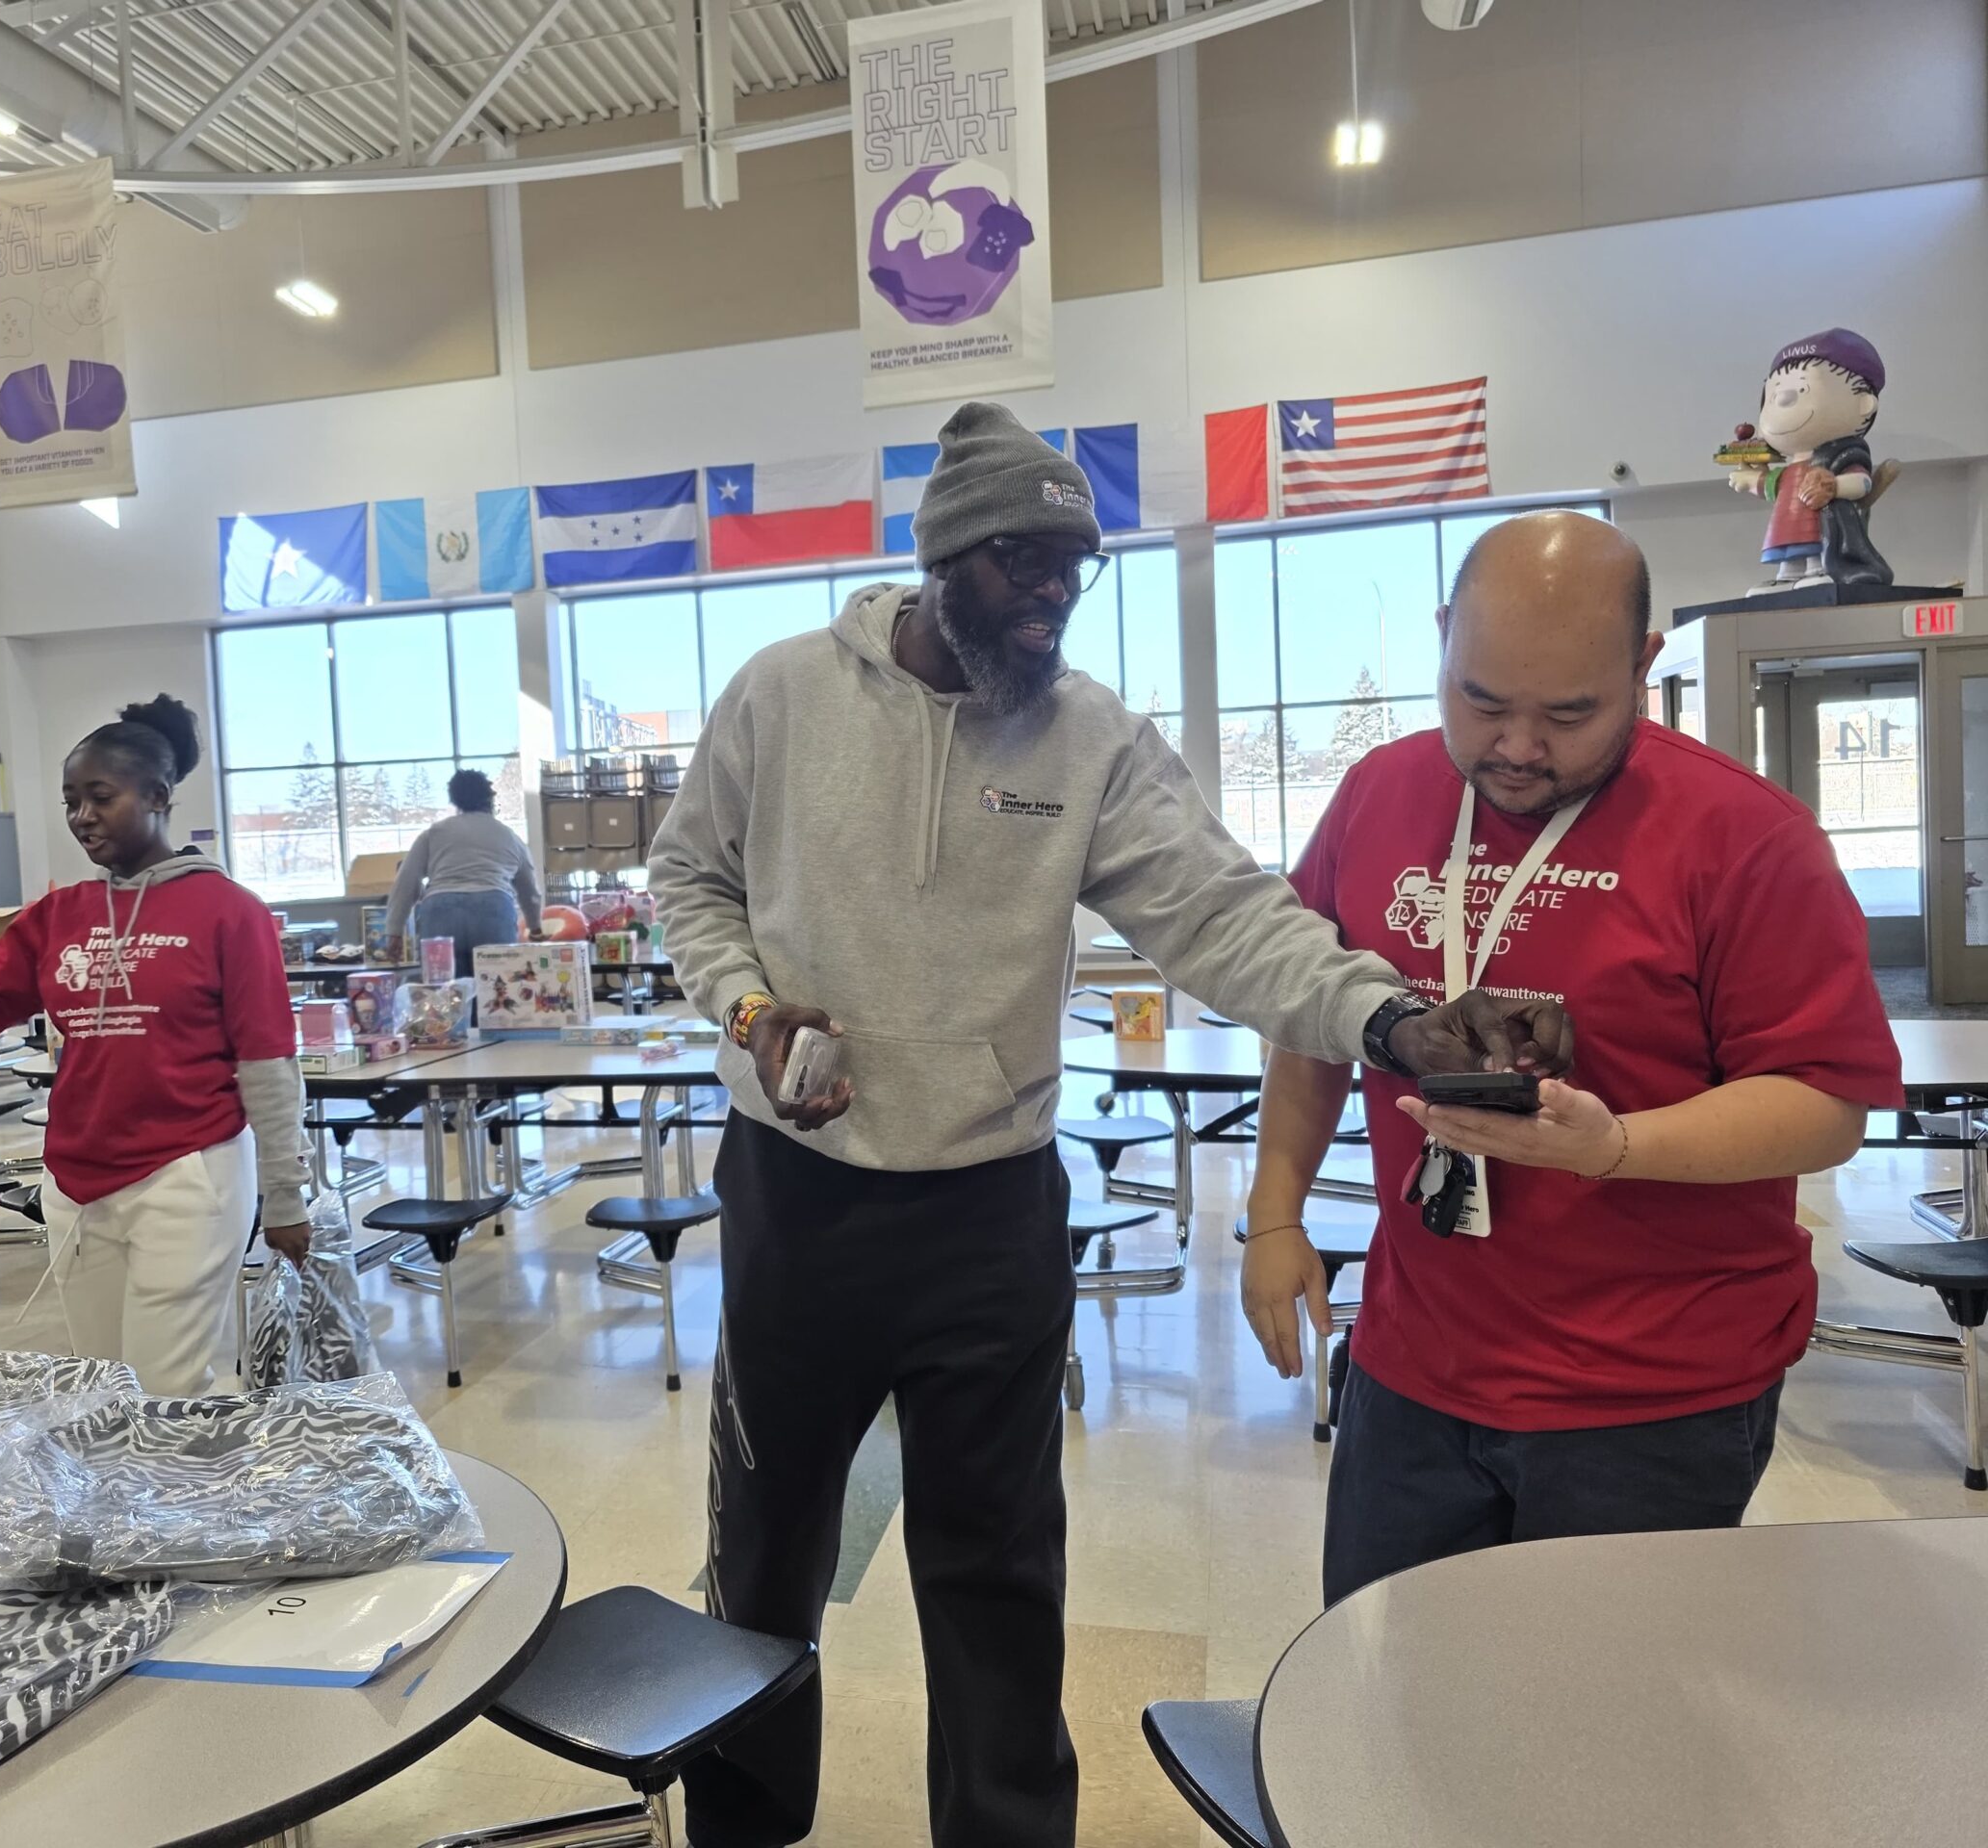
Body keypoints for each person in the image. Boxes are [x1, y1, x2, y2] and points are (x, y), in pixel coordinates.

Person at [647, 401, 1568, 1848]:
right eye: (1020, 562)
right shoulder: (779, 695)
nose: (1053, 593)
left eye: (1075, 565)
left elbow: (1228, 918)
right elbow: (687, 880)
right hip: (797, 1198)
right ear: (942, 557)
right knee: (764, 1560)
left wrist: (1391, 1020)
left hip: (989, 1214)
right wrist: (752, 1011)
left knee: (1000, 1572)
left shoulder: (1089, 740)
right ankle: (745, 1832)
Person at [1238, 512, 1904, 1608]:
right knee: (1389, 1686)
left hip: (1652, 1392)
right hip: (1415, 1367)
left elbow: (1826, 1104)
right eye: (1482, 701)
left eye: (1568, 714)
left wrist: (1615, 1146)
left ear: (1642, 666)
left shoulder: (1746, 836)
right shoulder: (1377, 793)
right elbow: (1313, 1018)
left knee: (1602, 1707)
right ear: (1444, 638)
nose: (1516, 747)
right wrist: (1274, 1215)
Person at [0, 695, 313, 1397]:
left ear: (158, 796)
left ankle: (172, 1472)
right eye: (71, 802)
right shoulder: (60, 915)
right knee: (100, 1383)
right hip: (77, 1181)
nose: (83, 817)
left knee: (166, 1388)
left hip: (188, 1174)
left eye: (101, 798)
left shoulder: (231, 913)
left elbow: (267, 1065)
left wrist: (285, 1196)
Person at [382, 768, 543, 976]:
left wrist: (394, 931)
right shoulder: (510, 836)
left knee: (444, 990)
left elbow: (406, 881)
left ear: (454, 800)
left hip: (441, 912)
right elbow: (529, 889)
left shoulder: (433, 833)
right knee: (496, 988)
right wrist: (535, 927)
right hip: (493, 910)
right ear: (490, 797)